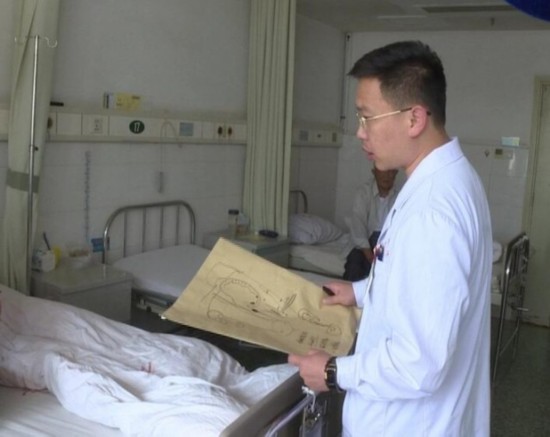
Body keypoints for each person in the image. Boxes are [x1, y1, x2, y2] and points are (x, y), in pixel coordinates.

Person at [288, 40, 492, 436]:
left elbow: (420, 364)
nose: (359, 132)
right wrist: (359, 292)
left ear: (414, 119)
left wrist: (332, 371)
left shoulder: (432, 212)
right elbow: (418, 284)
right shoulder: (449, 179)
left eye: (367, 118)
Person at [343, 165, 399, 281]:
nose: (387, 176)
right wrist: (371, 257)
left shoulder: (399, 197)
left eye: (391, 172)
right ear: (374, 172)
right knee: (355, 263)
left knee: (386, 271)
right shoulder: (363, 193)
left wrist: (379, 258)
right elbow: (358, 229)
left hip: (383, 245)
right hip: (364, 246)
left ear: (395, 174)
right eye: (383, 171)